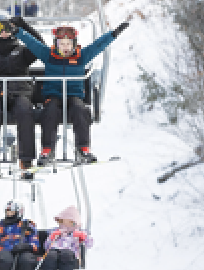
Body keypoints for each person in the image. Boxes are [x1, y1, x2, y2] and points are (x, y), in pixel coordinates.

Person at [10, 16, 130, 164]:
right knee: (50, 112)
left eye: (68, 44)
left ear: (74, 44)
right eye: (62, 44)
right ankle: (48, 150)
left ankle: (83, 148)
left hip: (74, 95)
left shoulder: (81, 56)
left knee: (81, 110)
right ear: (56, 44)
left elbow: (98, 45)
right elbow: (32, 43)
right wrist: (18, 32)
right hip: (53, 95)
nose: (65, 47)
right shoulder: (48, 55)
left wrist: (113, 34)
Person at [0, 18, 43, 179]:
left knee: (25, 111)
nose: (3, 32)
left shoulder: (22, 52)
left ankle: (26, 161)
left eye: (6, 28)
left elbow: (40, 47)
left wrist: (24, 27)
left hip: (20, 92)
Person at [40, 205, 92, 270]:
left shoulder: (77, 232)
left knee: (66, 255)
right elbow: (46, 246)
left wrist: (83, 237)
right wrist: (51, 237)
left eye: (69, 221)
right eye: (63, 221)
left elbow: (89, 244)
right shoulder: (55, 231)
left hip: (69, 251)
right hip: (54, 250)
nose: (65, 224)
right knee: (50, 256)